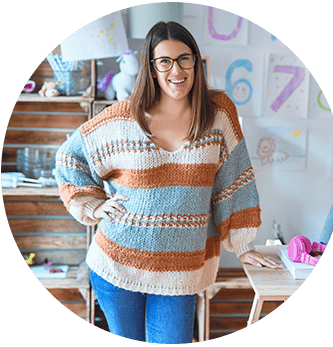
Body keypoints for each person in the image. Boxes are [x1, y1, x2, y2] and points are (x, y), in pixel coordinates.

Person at [55, 21, 282, 344]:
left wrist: (242, 246)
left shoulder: (218, 114)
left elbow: (234, 181)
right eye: (164, 61)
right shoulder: (122, 118)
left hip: (181, 272)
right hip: (117, 265)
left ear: (195, 61)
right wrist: (93, 205)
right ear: (151, 67)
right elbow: (69, 159)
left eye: (184, 58)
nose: (176, 70)